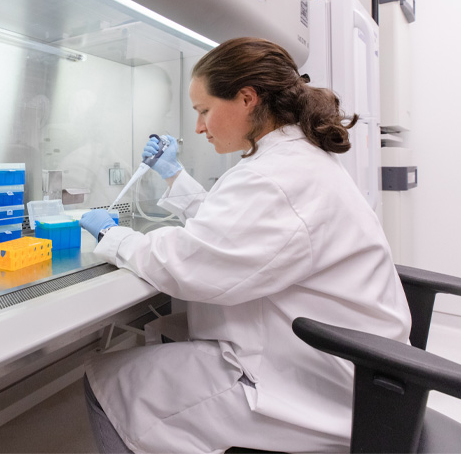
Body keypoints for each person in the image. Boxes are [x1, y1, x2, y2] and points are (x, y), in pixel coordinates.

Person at [79, 37, 411, 454]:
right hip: (348, 371)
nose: (199, 126)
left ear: (247, 98)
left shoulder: (276, 175)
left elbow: (189, 264)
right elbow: (238, 231)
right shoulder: (292, 158)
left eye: (204, 110)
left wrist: (115, 237)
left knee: (107, 383)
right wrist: (174, 177)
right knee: (169, 346)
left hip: (310, 385)